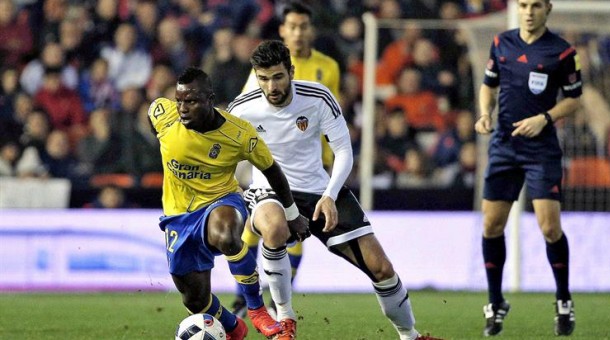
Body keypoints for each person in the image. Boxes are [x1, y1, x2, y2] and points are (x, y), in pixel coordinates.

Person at [227, 40, 441, 340]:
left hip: (319, 189)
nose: (271, 86)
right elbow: (223, 154)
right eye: (263, 78)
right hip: (269, 190)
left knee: (381, 268)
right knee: (274, 227)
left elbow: (343, 150)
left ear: (290, 71)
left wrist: (329, 195)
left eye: (277, 77)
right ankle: (285, 320)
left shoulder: (318, 97)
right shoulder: (243, 107)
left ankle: (410, 335)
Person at [147, 67, 310, 340]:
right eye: (180, 101)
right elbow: (153, 112)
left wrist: (292, 214)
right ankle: (235, 328)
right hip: (178, 216)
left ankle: (257, 309)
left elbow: (273, 171)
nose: (183, 108)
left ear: (210, 99)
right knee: (195, 301)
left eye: (192, 101)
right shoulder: (164, 118)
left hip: (221, 200)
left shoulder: (239, 134)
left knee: (225, 233)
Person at [474, 0, 582, 336]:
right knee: (492, 225)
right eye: (523, 4)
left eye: (536, 5)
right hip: (504, 146)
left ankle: (563, 298)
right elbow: (488, 85)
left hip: (541, 150)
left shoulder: (562, 52)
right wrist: (484, 113)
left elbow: (575, 97)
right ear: (517, 9)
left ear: (548, 8)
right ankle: (495, 302)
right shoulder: (501, 43)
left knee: (549, 227)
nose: (529, 11)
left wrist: (545, 118)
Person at [234, 0, 342, 316]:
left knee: (297, 230)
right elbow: (243, 109)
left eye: (303, 26)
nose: (298, 33)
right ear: (283, 30)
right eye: (292, 27)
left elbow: (333, 115)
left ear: (311, 30)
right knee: (259, 225)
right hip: (267, 160)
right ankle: (245, 298)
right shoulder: (269, 66)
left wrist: (331, 156)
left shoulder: (329, 68)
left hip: (311, 163)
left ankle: (277, 298)